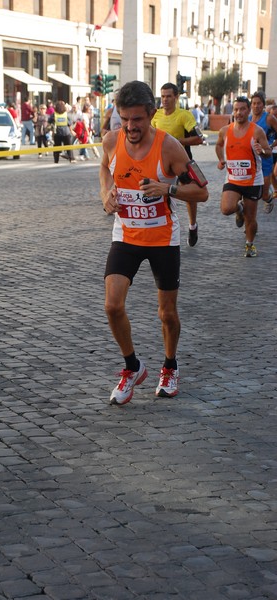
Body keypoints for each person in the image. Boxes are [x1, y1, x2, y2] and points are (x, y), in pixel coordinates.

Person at [100, 81, 208, 404]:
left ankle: (170, 365)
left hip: (162, 237)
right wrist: (106, 193)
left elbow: (202, 191)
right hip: (127, 234)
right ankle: (133, 367)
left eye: (137, 120)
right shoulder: (110, 140)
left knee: (166, 313)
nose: (130, 127)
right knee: (112, 305)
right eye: (125, 120)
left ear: (151, 114)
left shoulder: (169, 147)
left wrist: (168, 189)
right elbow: (105, 168)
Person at [215, 96, 272, 258]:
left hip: (253, 180)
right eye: (236, 109)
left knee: (251, 217)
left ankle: (249, 244)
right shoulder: (225, 131)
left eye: (242, 109)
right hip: (232, 179)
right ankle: (238, 209)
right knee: (226, 209)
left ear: (248, 111)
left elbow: (268, 153)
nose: (238, 113)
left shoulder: (256, 131)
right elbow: (219, 145)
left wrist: (261, 150)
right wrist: (221, 160)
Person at [152, 83, 205, 247]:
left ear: (176, 97)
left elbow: (199, 138)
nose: (165, 100)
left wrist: (176, 142)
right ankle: (160, 228)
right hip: (161, 162)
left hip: (183, 160)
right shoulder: (156, 115)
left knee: (191, 193)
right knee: (158, 195)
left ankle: (192, 225)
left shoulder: (185, 115)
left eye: (169, 96)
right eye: (163, 96)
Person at [249, 91, 277, 213]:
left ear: (263, 105)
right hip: (250, 159)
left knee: (264, 195)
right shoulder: (248, 119)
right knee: (247, 191)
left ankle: (269, 199)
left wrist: (271, 145)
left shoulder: (269, 118)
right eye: (254, 103)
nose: (256, 106)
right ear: (251, 105)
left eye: (259, 103)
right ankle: (243, 212)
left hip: (265, 158)